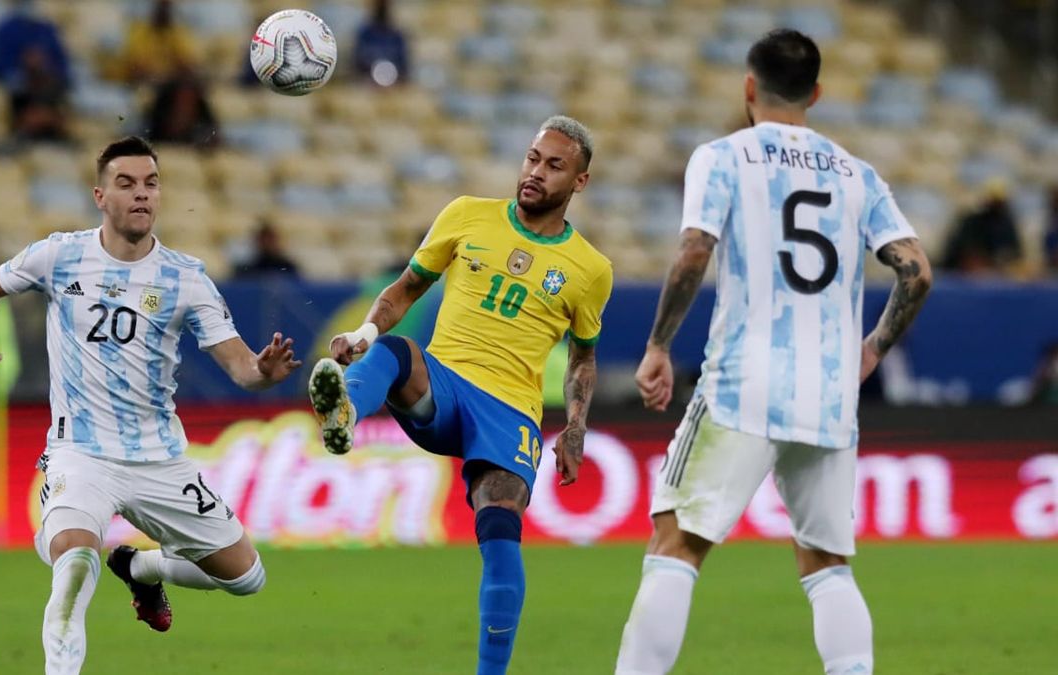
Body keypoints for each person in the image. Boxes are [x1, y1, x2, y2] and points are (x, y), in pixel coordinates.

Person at [614, 30, 932, 675]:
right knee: (825, 563)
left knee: (675, 544)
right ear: (816, 93)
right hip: (829, 391)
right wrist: (872, 348)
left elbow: (695, 251)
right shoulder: (858, 174)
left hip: (743, 383)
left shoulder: (723, 156)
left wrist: (658, 346)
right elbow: (917, 271)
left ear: (749, 87)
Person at [0, 136, 302, 674]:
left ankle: (139, 567)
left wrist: (264, 371)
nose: (141, 194)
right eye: (126, 183)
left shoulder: (187, 277)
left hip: (160, 459)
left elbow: (241, 366)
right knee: (73, 561)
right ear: (100, 195)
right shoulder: (59, 254)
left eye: (151, 183)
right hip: (81, 454)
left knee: (246, 577)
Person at [307, 115, 613, 675]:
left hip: (510, 412)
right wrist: (362, 335)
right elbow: (404, 290)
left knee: (499, 522)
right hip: (444, 385)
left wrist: (574, 428)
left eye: (553, 166)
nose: (535, 173)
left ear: (580, 182)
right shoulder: (466, 214)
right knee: (396, 352)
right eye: (531, 158)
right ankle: (345, 410)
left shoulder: (591, 270)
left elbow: (583, 358)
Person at [0, 0, 72, 92]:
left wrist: (46, 65)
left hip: (46, 80)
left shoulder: (46, 29)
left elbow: (61, 61)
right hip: (16, 81)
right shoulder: (6, 28)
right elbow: (0, 62)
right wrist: (22, 69)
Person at [940, 178, 1022, 275]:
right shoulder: (971, 222)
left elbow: (1014, 253)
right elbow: (962, 252)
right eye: (994, 201)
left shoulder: (1007, 224)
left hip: (997, 275)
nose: (996, 206)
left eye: (999, 202)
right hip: (962, 275)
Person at [116, 0, 200, 85]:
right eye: (160, 8)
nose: (163, 12)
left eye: (166, 8)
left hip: (170, 83)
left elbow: (186, 62)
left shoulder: (178, 33)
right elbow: (136, 64)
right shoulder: (139, 31)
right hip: (143, 83)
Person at [354, 0, 410, 86]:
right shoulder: (365, 34)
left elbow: (404, 69)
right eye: (379, 4)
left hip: (394, 88)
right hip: (367, 87)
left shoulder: (397, 36)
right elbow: (356, 66)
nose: (382, 8)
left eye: (385, 4)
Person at [233, 221, 299, 277]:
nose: (267, 243)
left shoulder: (287, 267)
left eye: (270, 240)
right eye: (264, 240)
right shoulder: (247, 268)